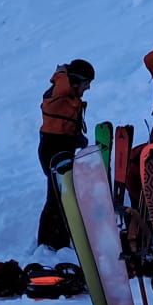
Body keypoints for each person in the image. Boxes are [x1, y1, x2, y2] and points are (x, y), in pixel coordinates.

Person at [36, 59, 95, 250]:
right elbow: (61, 86)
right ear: (75, 81)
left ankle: (59, 239)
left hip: (63, 146)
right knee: (57, 197)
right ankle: (49, 243)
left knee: (63, 194)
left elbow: (64, 123)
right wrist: (63, 73)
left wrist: (77, 138)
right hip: (52, 149)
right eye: (86, 84)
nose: (88, 88)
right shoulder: (57, 94)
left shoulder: (66, 95)